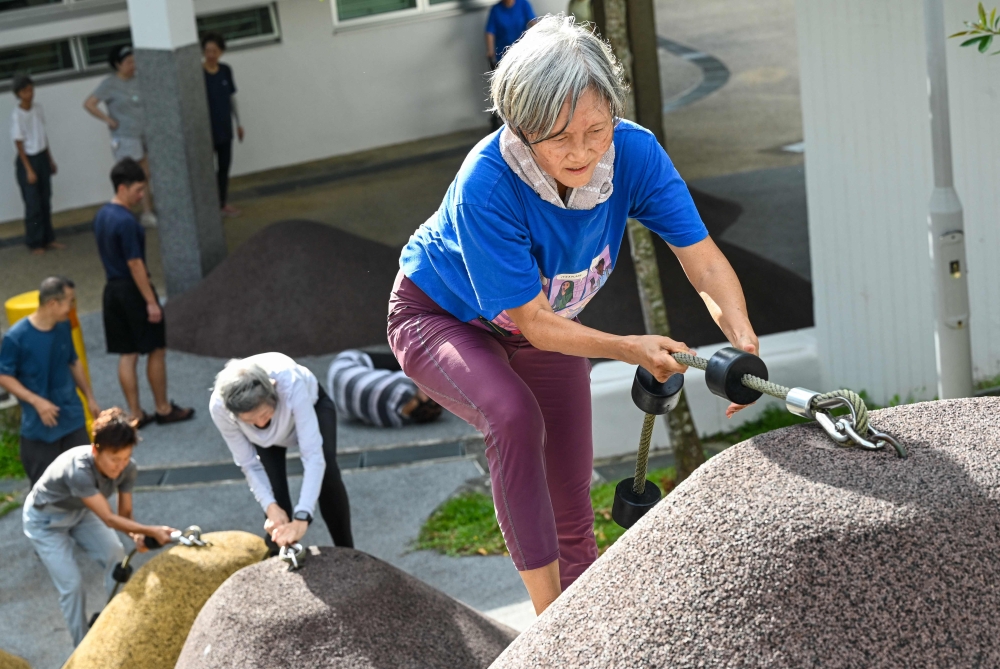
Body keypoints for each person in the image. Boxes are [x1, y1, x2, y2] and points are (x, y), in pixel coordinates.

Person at [388, 17, 760, 615]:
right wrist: (632, 348)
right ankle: (548, 628)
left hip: (547, 328)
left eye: (596, 128)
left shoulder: (632, 152)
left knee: (570, 489)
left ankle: (587, 625)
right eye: (560, 137)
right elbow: (532, 322)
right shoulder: (488, 182)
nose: (583, 151)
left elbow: (702, 259)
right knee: (513, 418)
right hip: (442, 318)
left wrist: (741, 339)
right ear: (520, 125)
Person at [22, 408, 177, 646]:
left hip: (82, 512)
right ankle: (82, 647)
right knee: (72, 585)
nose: (120, 466)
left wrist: (136, 536)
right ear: (96, 450)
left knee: (116, 556)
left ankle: (120, 622)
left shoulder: (128, 468)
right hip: (46, 522)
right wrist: (153, 530)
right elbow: (109, 519)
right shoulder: (78, 470)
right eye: (114, 459)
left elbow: (124, 514)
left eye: (125, 458)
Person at [210, 354, 353, 553]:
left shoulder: (289, 383)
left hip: (312, 408)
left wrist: (303, 517)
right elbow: (249, 464)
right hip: (266, 440)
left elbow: (313, 456)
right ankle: (280, 551)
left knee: (327, 472)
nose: (261, 424)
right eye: (250, 421)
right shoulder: (219, 407)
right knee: (276, 498)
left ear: (273, 388)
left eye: (264, 415)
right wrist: (270, 507)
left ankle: (347, 550)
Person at [93, 158, 194, 427]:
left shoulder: (103, 215)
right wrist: (151, 301)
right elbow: (135, 264)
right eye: (138, 190)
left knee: (128, 353)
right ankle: (162, 408)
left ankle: (135, 413)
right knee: (156, 349)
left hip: (111, 290)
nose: (142, 196)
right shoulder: (127, 222)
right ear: (123, 188)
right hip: (132, 290)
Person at [0, 277, 100, 486]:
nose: (72, 307)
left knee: (86, 480)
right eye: (69, 301)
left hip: (72, 417)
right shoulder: (16, 337)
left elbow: (73, 361)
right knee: (46, 489)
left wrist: (90, 398)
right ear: (53, 303)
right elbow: (4, 375)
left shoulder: (63, 326)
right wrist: (36, 401)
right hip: (41, 426)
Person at [83, 45, 156, 228]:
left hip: (144, 133)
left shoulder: (139, 80)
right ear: (117, 65)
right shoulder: (110, 84)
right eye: (128, 62)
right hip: (125, 136)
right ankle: (125, 215)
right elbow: (89, 104)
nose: (132, 65)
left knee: (145, 175)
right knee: (130, 177)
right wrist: (107, 119)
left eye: (133, 61)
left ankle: (147, 212)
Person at [10, 75, 63, 255]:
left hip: (41, 156)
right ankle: (35, 242)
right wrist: (29, 169)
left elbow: (42, 135)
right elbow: (19, 144)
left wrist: (50, 160)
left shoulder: (38, 109)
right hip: (28, 160)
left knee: (45, 200)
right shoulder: (17, 115)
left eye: (31, 89)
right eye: (25, 91)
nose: (30, 94)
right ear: (18, 94)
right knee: (33, 206)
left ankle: (49, 238)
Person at [326, 350, 442, 428]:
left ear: (423, 399)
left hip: (343, 366)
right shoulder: (396, 421)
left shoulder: (403, 385)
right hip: (339, 401)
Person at [201, 32, 245, 217]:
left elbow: (231, 98)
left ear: (221, 52)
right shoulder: (198, 73)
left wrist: (239, 123)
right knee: (206, 169)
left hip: (225, 127)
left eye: (215, 51)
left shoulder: (226, 70)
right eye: (207, 51)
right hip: (206, 130)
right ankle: (208, 205)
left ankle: (222, 203)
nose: (211, 54)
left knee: (224, 166)